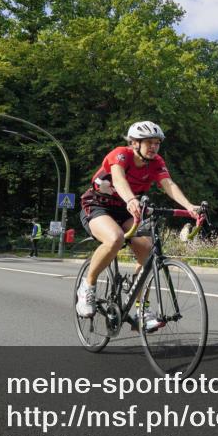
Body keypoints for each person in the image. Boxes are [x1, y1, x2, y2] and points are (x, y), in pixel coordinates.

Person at [76, 121, 203, 328]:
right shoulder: (120, 154)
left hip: (127, 210)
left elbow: (168, 185)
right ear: (134, 143)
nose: (154, 147)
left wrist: (189, 206)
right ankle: (87, 286)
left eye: (157, 143)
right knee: (115, 238)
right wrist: (131, 200)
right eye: (149, 143)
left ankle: (139, 307)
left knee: (147, 248)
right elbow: (118, 179)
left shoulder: (156, 162)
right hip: (98, 206)